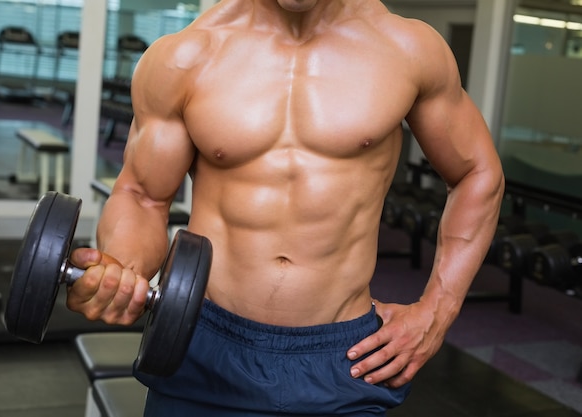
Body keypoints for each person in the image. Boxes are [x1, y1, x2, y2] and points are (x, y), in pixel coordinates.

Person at [67, 0, 505, 415]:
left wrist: (437, 310)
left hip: (343, 355)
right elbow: (143, 195)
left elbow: (476, 173)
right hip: (202, 339)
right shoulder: (186, 55)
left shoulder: (407, 49)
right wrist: (123, 272)